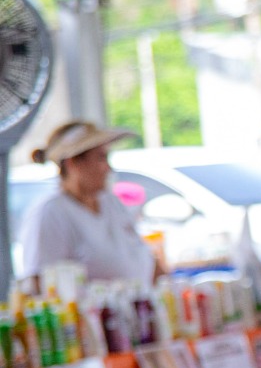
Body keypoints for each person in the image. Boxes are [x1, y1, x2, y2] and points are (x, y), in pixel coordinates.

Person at [18, 121, 163, 285]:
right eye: (101, 158)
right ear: (73, 163)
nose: (107, 168)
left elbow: (141, 254)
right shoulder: (51, 212)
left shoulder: (110, 202)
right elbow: (40, 281)